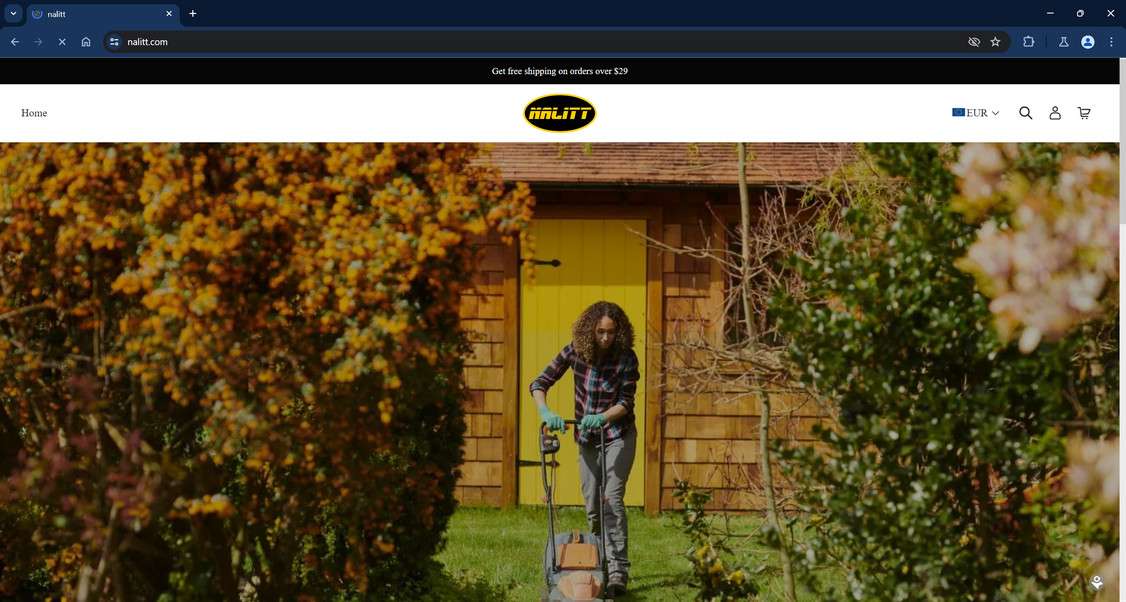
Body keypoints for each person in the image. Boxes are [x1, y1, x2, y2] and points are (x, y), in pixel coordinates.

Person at [529, 300, 640, 597]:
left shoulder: (626, 358)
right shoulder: (574, 351)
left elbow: (626, 402)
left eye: (611, 332)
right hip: (588, 438)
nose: (605, 338)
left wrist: (602, 417)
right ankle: (597, 562)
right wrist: (545, 412)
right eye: (600, 332)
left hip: (617, 435)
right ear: (590, 331)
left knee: (610, 499)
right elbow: (539, 383)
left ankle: (617, 570)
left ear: (619, 332)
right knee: (593, 505)